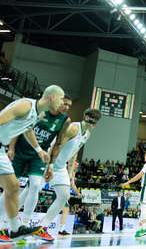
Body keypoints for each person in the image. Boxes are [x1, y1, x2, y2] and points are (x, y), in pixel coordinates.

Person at [0, 85, 65, 242]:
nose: (63, 102)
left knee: (13, 187)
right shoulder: (26, 105)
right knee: (12, 187)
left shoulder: (39, 112)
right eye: (62, 98)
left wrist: (38, 150)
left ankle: (15, 230)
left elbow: (27, 129)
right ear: (52, 97)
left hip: (1, 148)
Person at [36, 108, 101, 241]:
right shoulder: (73, 128)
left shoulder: (86, 134)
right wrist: (51, 165)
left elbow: (75, 152)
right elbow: (56, 144)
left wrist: (70, 172)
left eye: (98, 121)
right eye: (95, 120)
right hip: (49, 161)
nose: (96, 124)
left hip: (61, 167)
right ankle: (10, 225)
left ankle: (42, 227)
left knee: (64, 196)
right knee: (31, 192)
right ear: (87, 118)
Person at [122, 151, 146, 237]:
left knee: (143, 208)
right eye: (145, 155)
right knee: (143, 208)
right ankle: (139, 229)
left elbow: (139, 175)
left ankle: (144, 228)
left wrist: (127, 182)